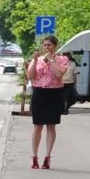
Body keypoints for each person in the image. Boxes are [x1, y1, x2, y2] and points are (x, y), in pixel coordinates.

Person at [24, 35, 71, 169]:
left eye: (49, 45)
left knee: (51, 126)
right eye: (44, 45)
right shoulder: (38, 60)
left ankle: (47, 157)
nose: (46, 48)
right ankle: (34, 157)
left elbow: (59, 74)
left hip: (54, 93)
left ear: (55, 46)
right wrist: (33, 60)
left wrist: (51, 60)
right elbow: (30, 76)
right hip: (39, 92)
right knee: (37, 126)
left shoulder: (62, 59)